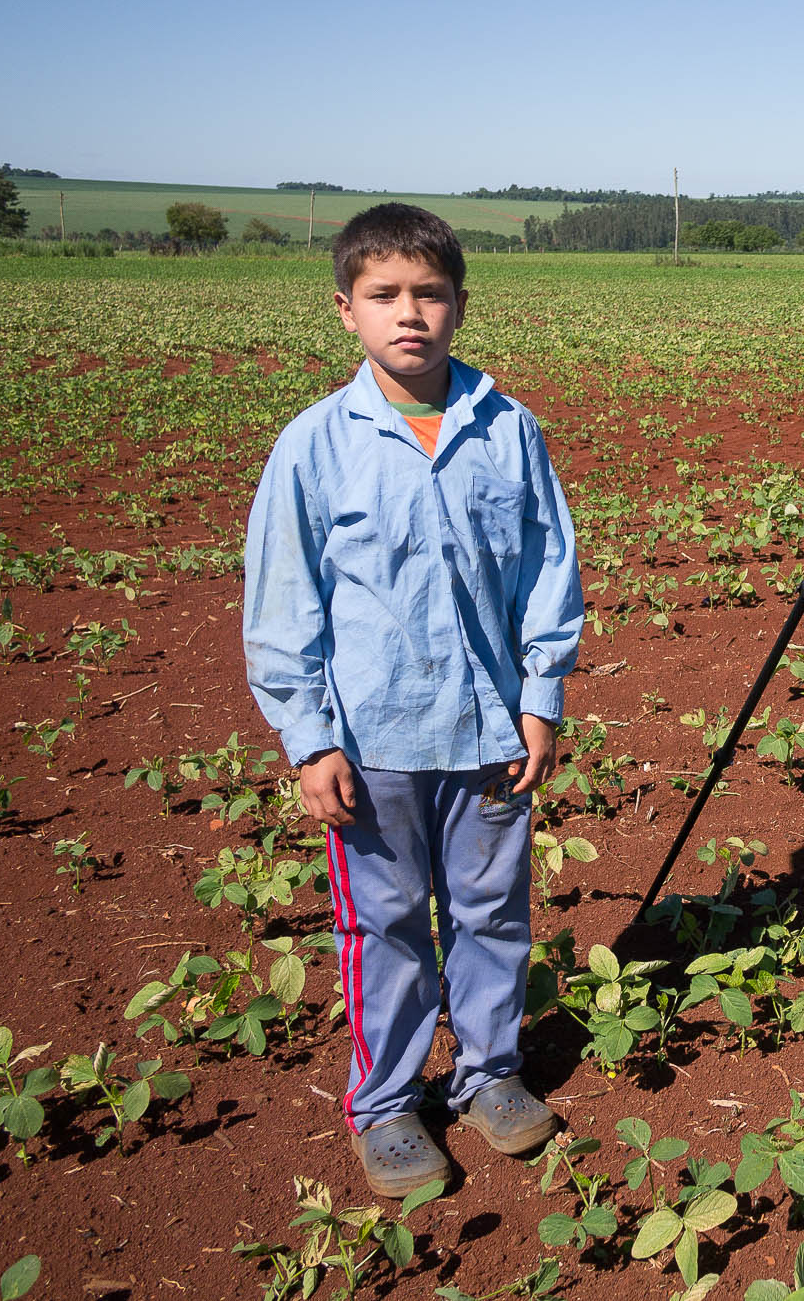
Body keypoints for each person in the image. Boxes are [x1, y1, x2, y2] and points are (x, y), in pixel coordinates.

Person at [244, 203, 583, 1194]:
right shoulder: (315, 445)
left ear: (459, 306)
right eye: (384, 294)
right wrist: (309, 739)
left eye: (429, 294)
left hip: (489, 731)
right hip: (371, 741)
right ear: (345, 308)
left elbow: (548, 571)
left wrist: (540, 697)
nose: (409, 314)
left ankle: (488, 1073)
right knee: (384, 925)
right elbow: (283, 603)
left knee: (492, 912)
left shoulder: (509, 430)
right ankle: (387, 1102)